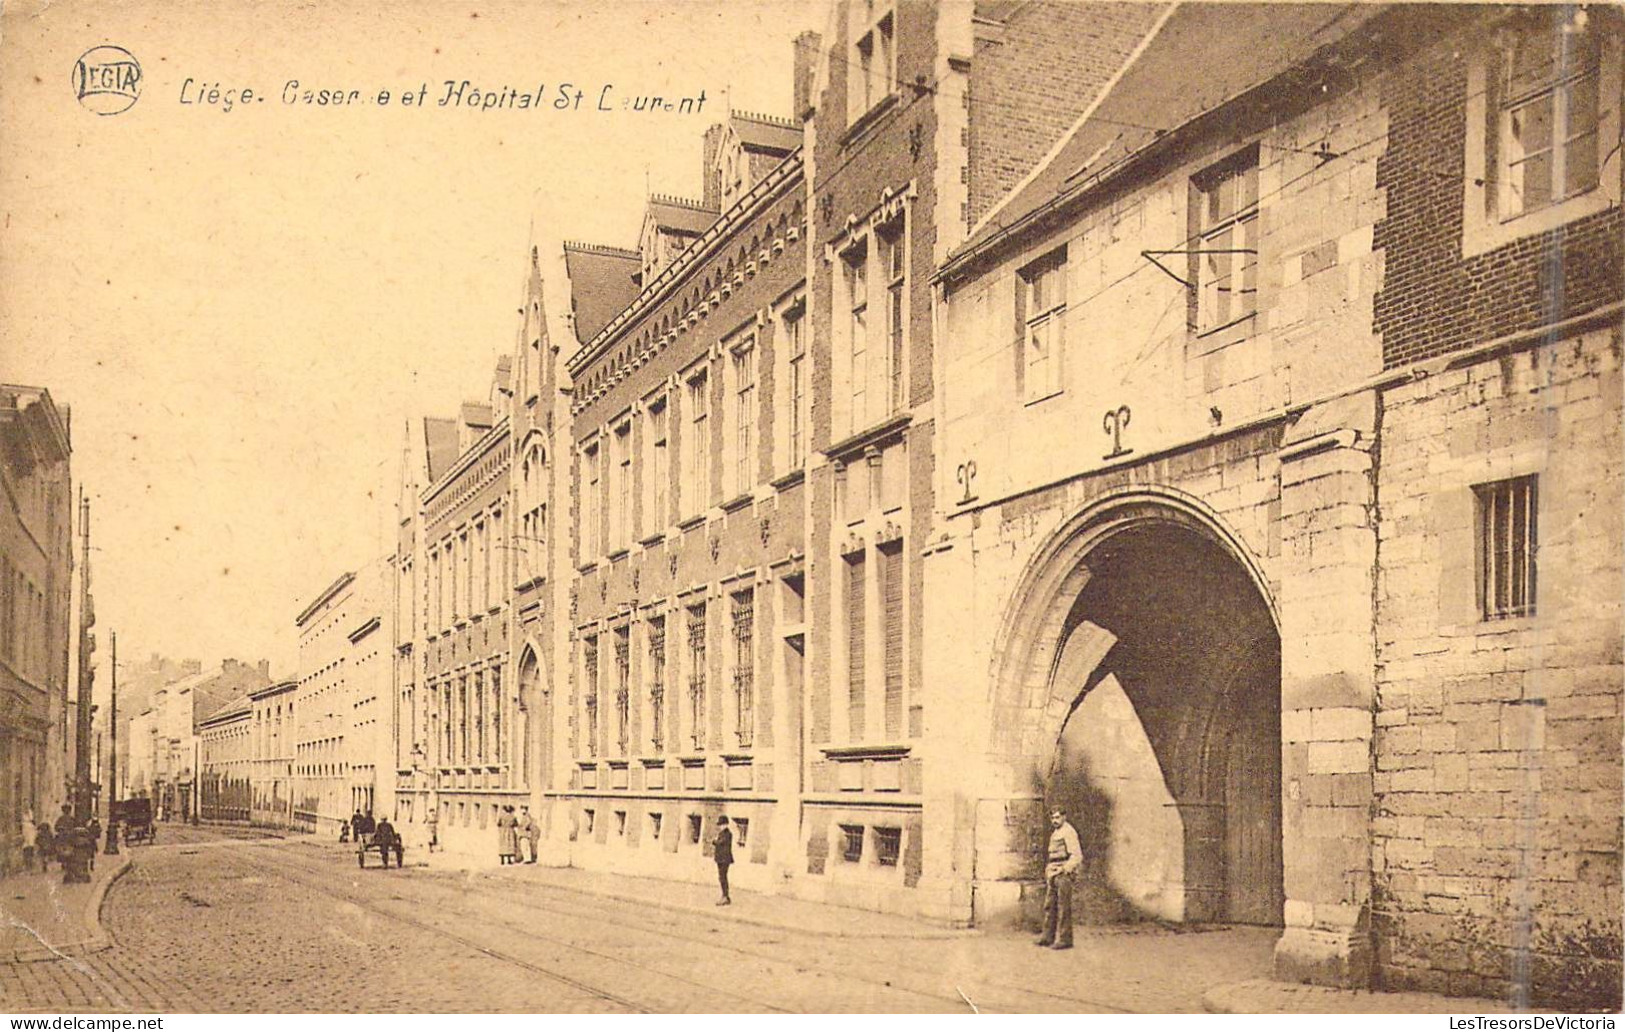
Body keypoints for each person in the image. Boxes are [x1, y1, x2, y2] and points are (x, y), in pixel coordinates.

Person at [1036, 807, 1082, 950]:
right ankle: (1048, 937)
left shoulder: (1069, 832)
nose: (1055, 821)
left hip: (1063, 873)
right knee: (1050, 906)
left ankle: (1065, 939)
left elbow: (1077, 856)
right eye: (1052, 818)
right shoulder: (1055, 833)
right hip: (1053, 873)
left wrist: (1065, 869)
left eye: (1057, 817)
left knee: (1063, 907)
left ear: (1064, 817)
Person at [712, 815, 733, 906]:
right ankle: (725, 896)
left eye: (721, 824)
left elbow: (720, 842)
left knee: (723, 877)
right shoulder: (722, 833)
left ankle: (725, 896)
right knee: (721, 877)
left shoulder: (727, 834)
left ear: (725, 824)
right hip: (720, 859)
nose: (720, 827)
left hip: (725, 859)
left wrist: (715, 841)